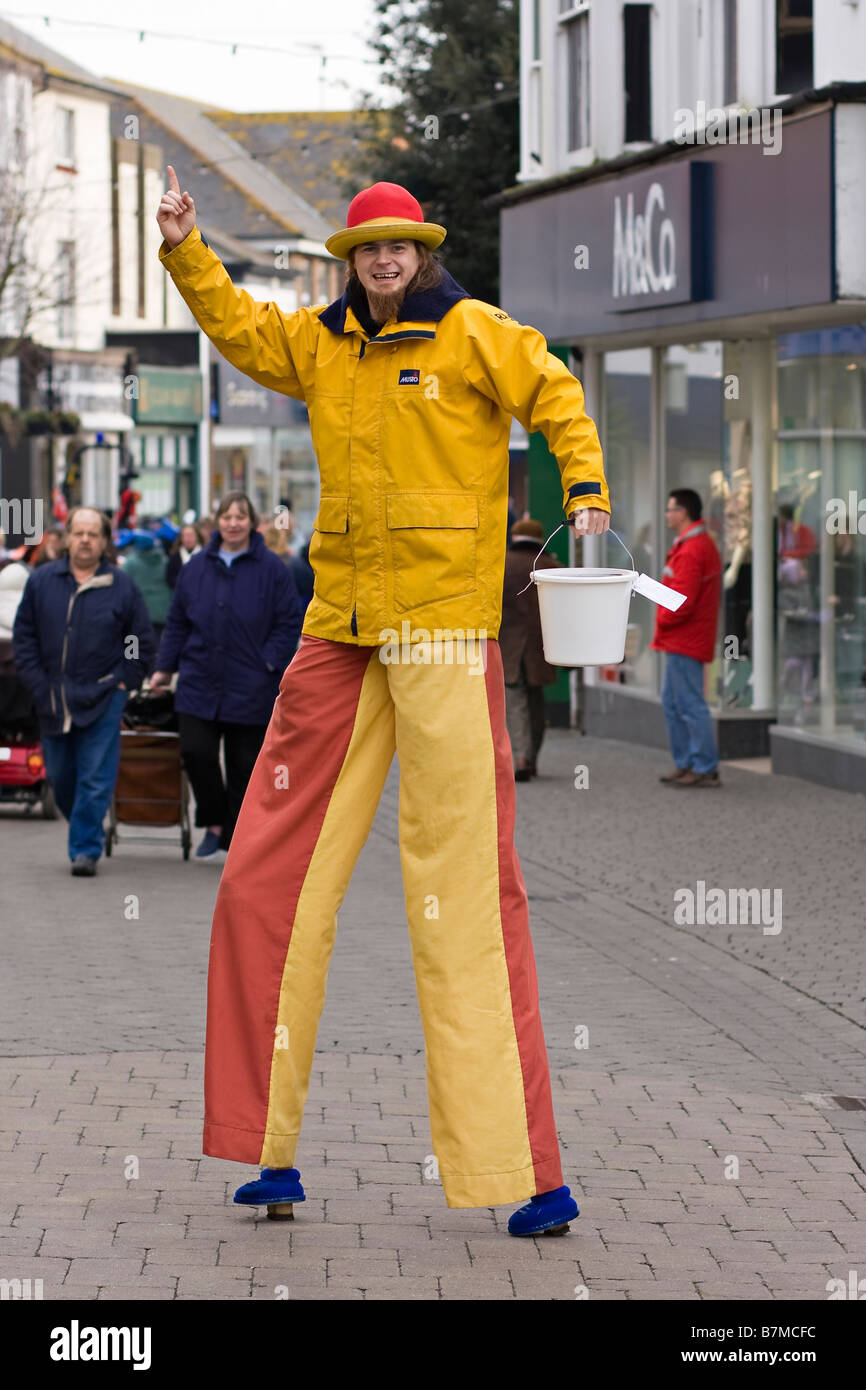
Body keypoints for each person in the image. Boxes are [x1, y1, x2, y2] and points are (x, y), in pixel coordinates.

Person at [156, 170, 610, 1236]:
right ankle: (266, 1146)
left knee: (459, 897)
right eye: (367, 250)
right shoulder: (318, 343)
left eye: (398, 248)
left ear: (420, 252)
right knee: (259, 876)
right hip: (339, 630)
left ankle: (527, 1170)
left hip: (446, 632)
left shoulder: (473, 332)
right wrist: (185, 249)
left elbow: (556, 396)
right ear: (349, 260)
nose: (383, 261)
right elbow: (240, 330)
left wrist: (582, 496)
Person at [149, 492, 301, 858]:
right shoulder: (197, 567)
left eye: (240, 516)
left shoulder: (272, 569)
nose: (233, 523)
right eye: (226, 516)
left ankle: (235, 840)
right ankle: (214, 820)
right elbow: (178, 623)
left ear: (252, 523)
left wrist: (269, 663)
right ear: (217, 521)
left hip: (250, 685)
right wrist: (163, 669)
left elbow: (289, 622)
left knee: (244, 766)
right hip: (199, 680)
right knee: (196, 752)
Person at [12, 506, 155, 874]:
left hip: (104, 695)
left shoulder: (121, 586)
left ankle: (85, 849)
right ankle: (86, 823)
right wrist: (36, 682)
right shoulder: (43, 581)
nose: (86, 540)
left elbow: (137, 638)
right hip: (52, 697)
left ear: (105, 541)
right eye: (79, 533)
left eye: (94, 534)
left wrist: (126, 678)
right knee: (60, 776)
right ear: (67, 537)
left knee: (95, 775)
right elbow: (24, 636)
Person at [653, 488, 723, 788]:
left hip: (685, 639)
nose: (667, 515)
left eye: (670, 510)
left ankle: (704, 766)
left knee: (689, 704)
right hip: (682, 638)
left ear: (683, 513)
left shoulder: (693, 549)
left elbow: (681, 600)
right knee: (673, 702)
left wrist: (661, 618)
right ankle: (687, 763)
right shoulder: (693, 545)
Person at [500, 518, 562, 781]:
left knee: (515, 700)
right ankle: (532, 757)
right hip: (541, 647)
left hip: (510, 646)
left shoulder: (502, 564)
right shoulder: (553, 568)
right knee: (536, 700)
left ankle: (521, 757)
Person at [118, 530, 173, 648]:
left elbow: (121, 584)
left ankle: (137, 663)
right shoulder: (165, 561)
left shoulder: (131, 563)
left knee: (135, 647)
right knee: (157, 646)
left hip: (139, 613)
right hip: (161, 612)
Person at [166, 522, 206, 589]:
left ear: (197, 537)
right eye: (184, 536)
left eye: (190, 535)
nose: (187, 539)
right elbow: (170, 578)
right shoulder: (175, 556)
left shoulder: (206, 555)